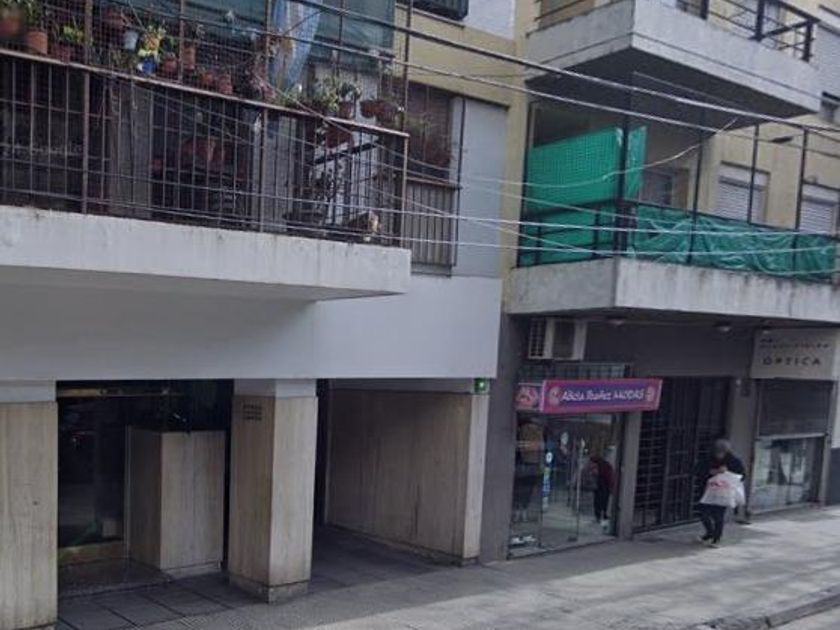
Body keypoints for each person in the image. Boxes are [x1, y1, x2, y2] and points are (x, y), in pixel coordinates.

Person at [697, 439, 745, 547]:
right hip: (708, 490)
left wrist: (727, 473)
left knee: (718, 516)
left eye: (722, 453)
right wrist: (712, 472)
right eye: (717, 453)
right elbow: (698, 470)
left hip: (724, 492)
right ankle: (710, 532)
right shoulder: (708, 459)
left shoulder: (734, 461)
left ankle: (717, 538)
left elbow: (742, 475)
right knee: (703, 514)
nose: (719, 455)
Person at [588, 454, 615, 526]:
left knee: (600, 501)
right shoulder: (605, 466)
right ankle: (601, 516)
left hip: (603, 486)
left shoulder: (603, 467)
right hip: (603, 486)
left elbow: (608, 477)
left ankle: (601, 517)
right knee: (602, 502)